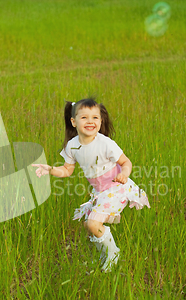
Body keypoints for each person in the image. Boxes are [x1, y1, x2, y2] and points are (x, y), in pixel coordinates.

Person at [32, 97, 151, 273]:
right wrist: (50, 169)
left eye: (95, 118)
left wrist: (124, 174)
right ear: (73, 122)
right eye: (84, 117)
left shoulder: (105, 143)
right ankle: (108, 254)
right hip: (100, 191)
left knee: (93, 224)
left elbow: (126, 162)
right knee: (90, 225)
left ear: (101, 121)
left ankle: (113, 255)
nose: (90, 122)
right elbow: (67, 170)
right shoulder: (72, 146)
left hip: (116, 188)